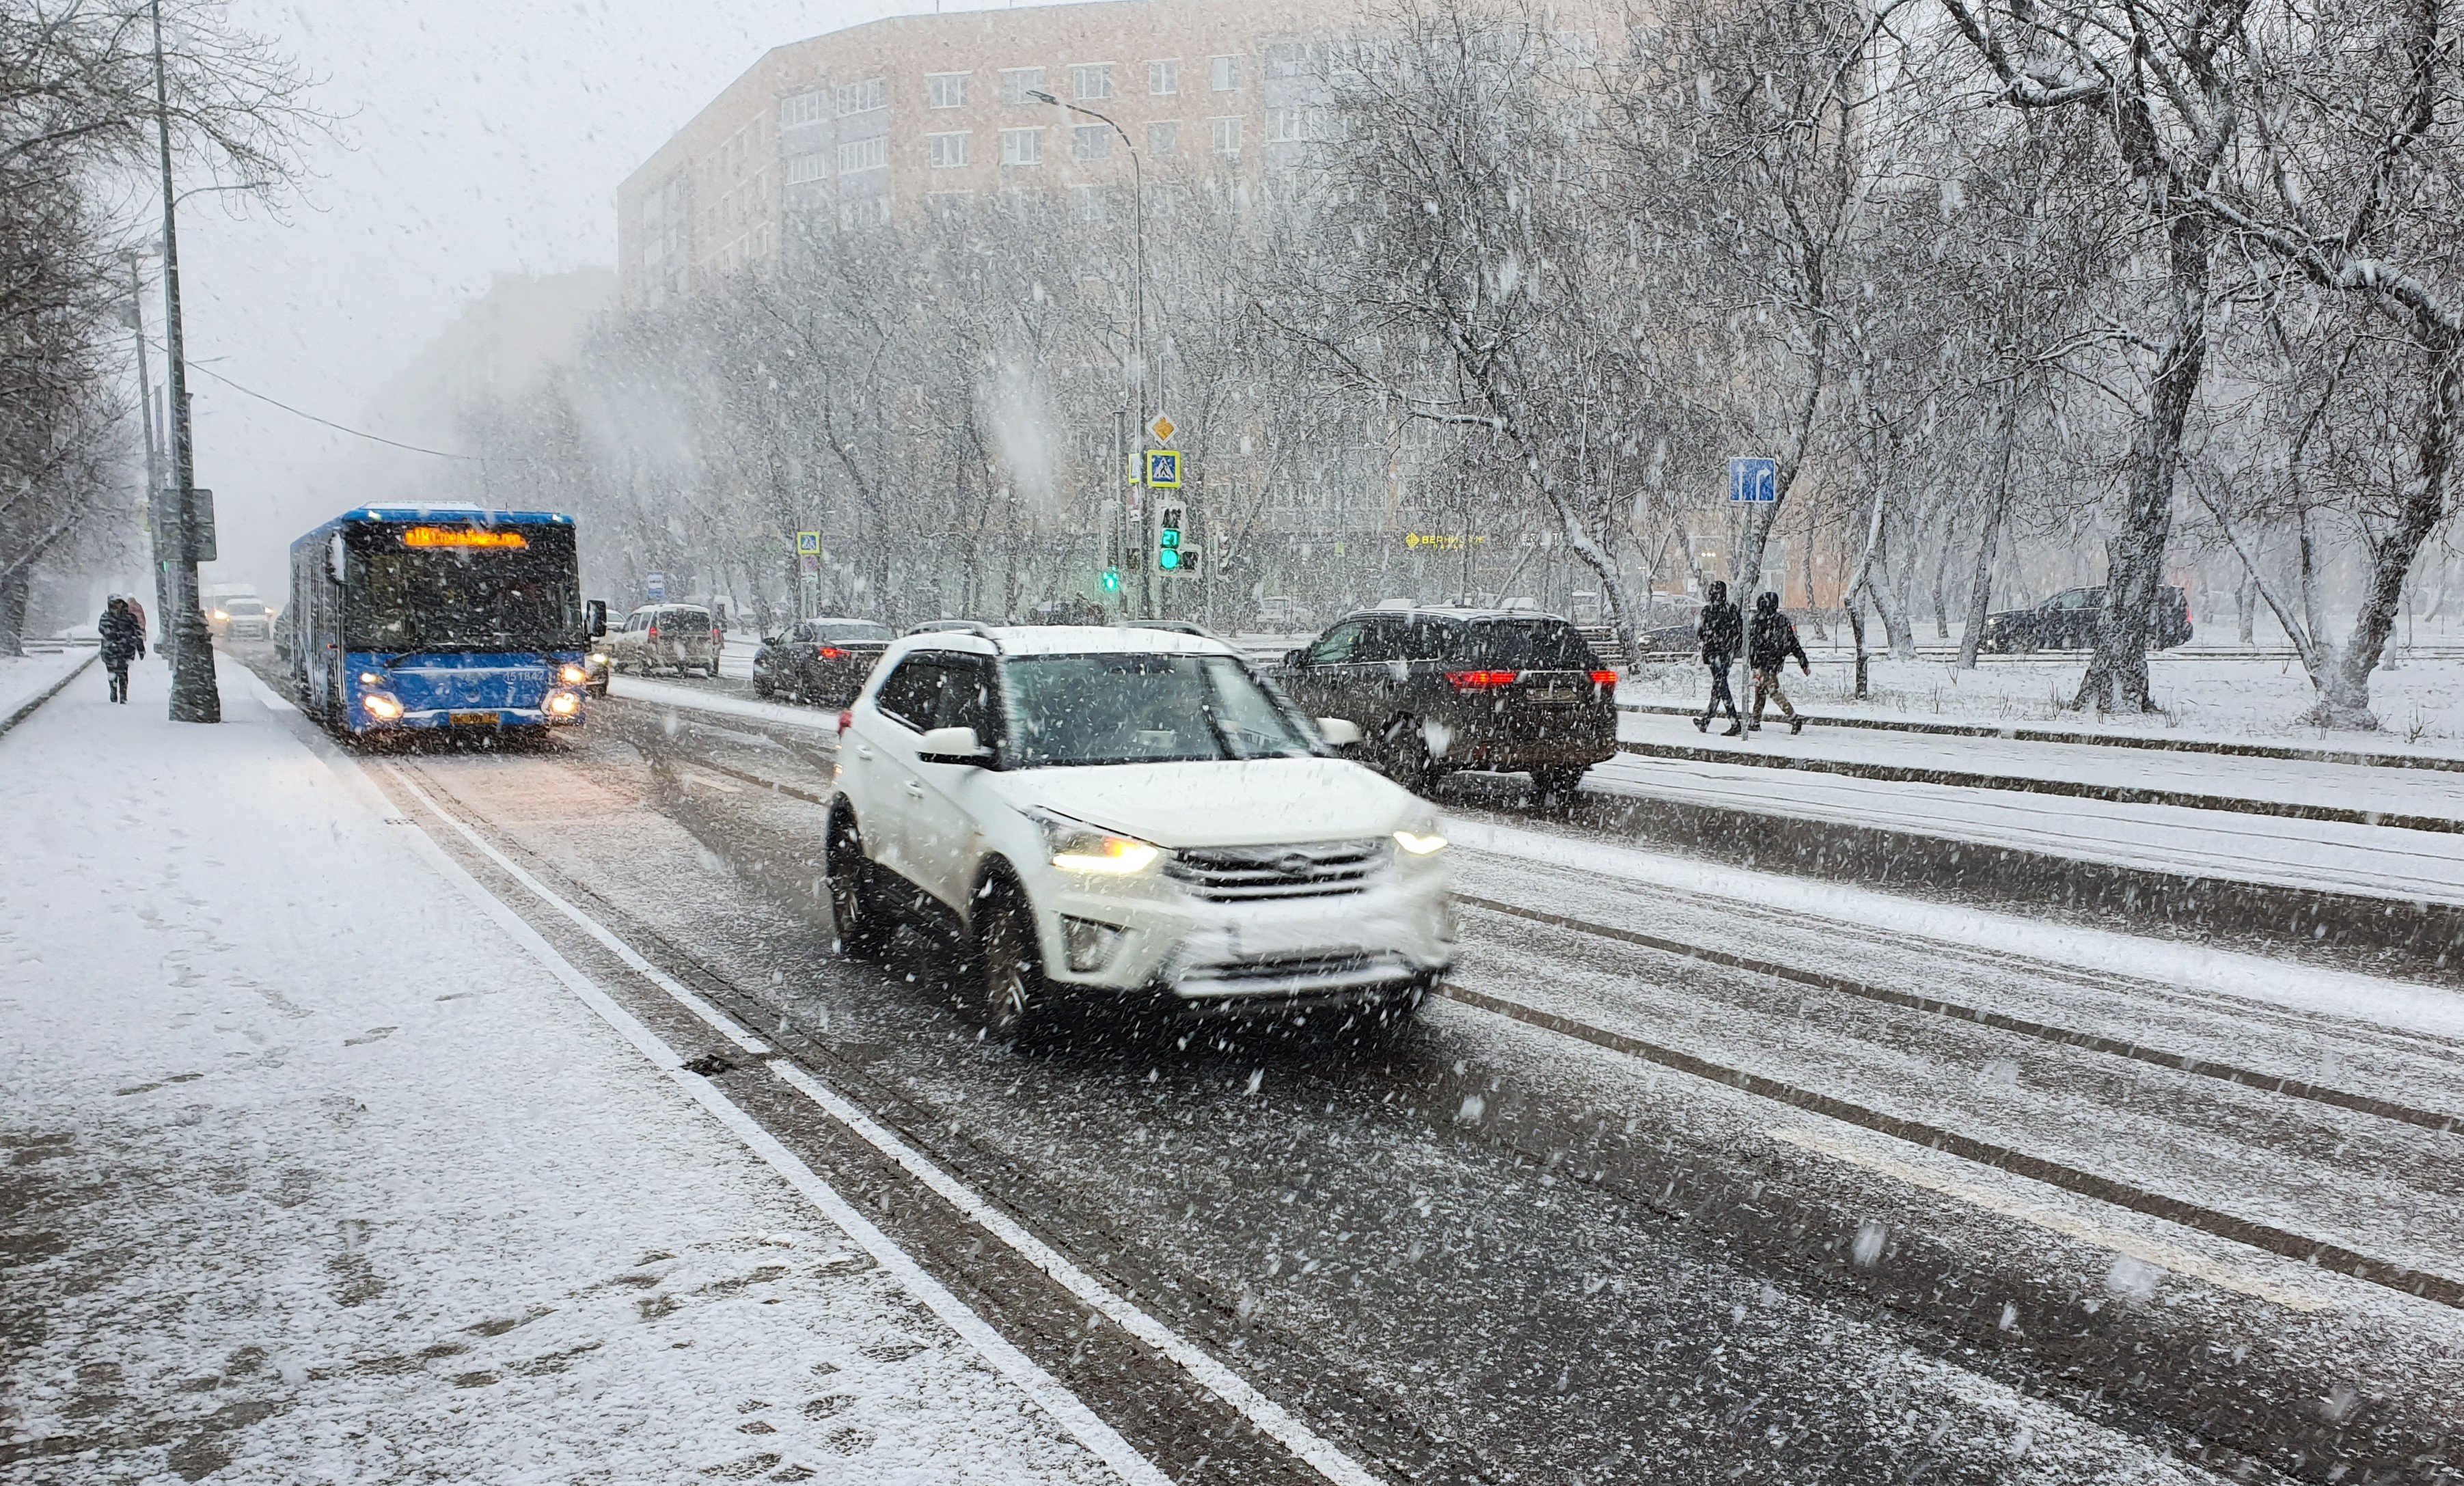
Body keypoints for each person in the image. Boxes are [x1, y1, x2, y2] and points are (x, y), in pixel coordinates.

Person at [1748, 590, 1811, 735]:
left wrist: (1754, 666)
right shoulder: (1782, 621)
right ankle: (1755, 721)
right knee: (1761, 691)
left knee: (1773, 691)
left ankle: (1794, 717)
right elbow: (1793, 643)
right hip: (1776, 662)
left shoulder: (1759, 621)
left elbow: (1753, 645)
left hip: (1763, 662)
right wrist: (1803, 661)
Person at [1693, 580, 1744, 737]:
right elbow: (1739, 632)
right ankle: (1707, 720)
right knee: (1719, 686)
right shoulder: (1732, 610)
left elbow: (1701, 633)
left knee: (1721, 686)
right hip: (1726, 654)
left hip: (1715, 654)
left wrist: (1711, 640)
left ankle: (1734, 722)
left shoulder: (1709, 611)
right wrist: (1732, 648)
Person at [98, 596, 145, 704]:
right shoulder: (105, 617)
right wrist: (111, 635)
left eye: (118, 603)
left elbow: (137, 632)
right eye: (114, 604)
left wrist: (140, 648)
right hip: (110, 650)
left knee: (123, 672)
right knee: (111, 672)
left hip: (125, 650)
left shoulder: (130, 618)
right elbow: (102, 629)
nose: (116, 606)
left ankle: (123, 695)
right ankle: (113, 691)